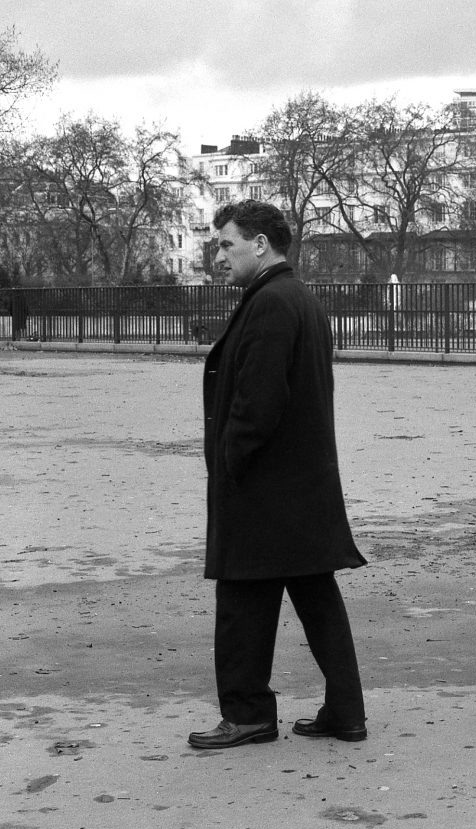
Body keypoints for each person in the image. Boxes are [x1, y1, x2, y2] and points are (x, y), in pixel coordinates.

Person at [188, 200, 368, 749]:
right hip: (301, 482)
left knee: (243, 598)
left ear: (260, 243)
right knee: (317, 597)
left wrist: (230, 461)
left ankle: (247, 714)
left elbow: (258, 400)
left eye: (227, 244)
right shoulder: (299, 297)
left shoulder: (269, 302)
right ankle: (346, 712)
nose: (220, 255)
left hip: (266, 482)